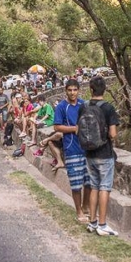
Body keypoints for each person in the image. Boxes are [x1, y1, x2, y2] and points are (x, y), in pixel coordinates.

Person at [80, 76, 121, 236]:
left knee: (94, 186)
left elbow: (79, 129)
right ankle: (103, 225)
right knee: (105, 187)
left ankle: (92, 222)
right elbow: (113, 134)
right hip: (105, 154)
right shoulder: (108, 108)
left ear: (90, 89)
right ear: (105, 89)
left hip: (89, 153)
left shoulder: (84, 107)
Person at [54, 79, 90, 223]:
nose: (72, 93)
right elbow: (57, 127)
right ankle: (79, 211)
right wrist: (74, 129)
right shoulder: (62, 107)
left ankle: (86, 207)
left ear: (78, 90)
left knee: (89, 182)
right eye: (70, 90)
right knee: (76, 184)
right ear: (66, 91)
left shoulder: (84, 104)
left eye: (75, 90)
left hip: (87, 149)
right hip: (71, 148)